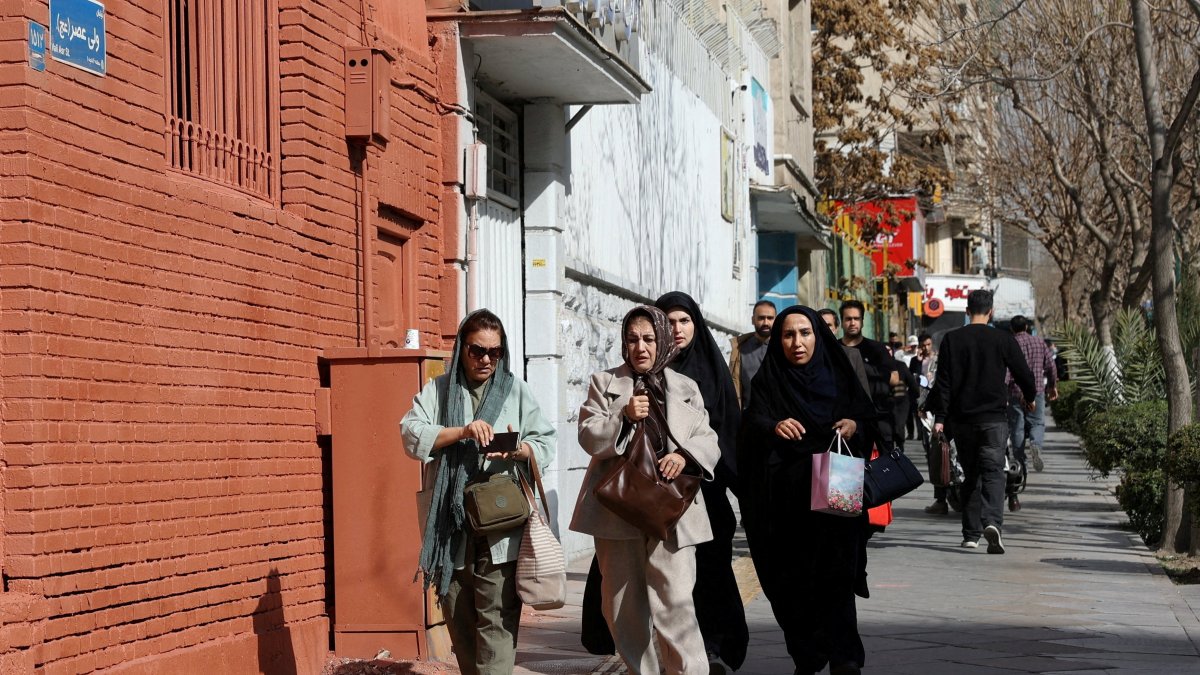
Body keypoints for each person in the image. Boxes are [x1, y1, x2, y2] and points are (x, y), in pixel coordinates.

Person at [400, 309, 557, 675]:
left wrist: (518, 449)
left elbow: (544, 442)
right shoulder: (438, 391)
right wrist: (462, 432)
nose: (486, 359)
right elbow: (410, 433)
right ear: (462, 349)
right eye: (477, 350)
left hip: (502, 525)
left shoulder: (516, 390)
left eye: (495, 352)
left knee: (497, 624)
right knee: (460, 622)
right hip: (450, 528)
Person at [572, 305, 721, 675]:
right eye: (633, 339)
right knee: (622, 608)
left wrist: (686, 457)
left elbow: (709, 439)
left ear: (664, 342)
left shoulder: (686, 387)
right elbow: (588, 438)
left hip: (672, 510)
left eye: (649, 339)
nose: (641, 347)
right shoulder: (604, 383)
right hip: (618, 509)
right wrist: (622, 414)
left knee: (677, 603)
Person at [739, 306, 876, 675]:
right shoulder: (769, 380)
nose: (797, 343)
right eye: (788, 335)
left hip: (836, 478)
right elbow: (751, 423)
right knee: (793, 579)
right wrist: (773, 426)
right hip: (786, 495)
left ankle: (846, 658)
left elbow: (866, 418)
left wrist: (853, 425)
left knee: (838, 572)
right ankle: (808, 655)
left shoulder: (839, 374)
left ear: (818, 335)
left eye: (805, 333)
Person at [656, 291, 749, 674]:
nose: (677, 330)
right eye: (670, 322)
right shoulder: (646, 367)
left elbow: (728, 435)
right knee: (669, 581)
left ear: (696, 325)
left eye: (684, 321)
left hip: (706, 494)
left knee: (712, 574)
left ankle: (715, 649)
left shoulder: (712, 371)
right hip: (660, 494)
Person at [932, 290, 1036, 554]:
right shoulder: (1003, 339)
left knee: (970, 475)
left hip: (962, 420)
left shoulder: (951, 339)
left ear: (967, 310)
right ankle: (992, 523)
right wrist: (1030, 396)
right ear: (991, 312)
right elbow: (1024, 373)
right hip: (993, 420)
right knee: (993, 472)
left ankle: (970, 534)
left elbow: (943, 383)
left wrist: (940, 418)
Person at [1006, 316, 1059, 507]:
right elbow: (1050, 366)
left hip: (1015, 392)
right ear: (1027, 327)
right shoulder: (1039, 342)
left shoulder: (1010, 343)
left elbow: (1006, 370)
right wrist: (1052, 386)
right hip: (1036, 391)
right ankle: (1036, 445)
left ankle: (1020, 465)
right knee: (1037, 423)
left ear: (1012, 328)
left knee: (1017, 428)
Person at [840, 301, 900, 450]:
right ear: (841, 322)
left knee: (883, 469)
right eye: (848, 319)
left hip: (878, 420)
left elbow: (895, 379)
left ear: (862, 321)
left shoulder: (876, 349)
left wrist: (863, 367)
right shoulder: (835, 349)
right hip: (845, 421)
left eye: (856, 318)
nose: (852, 323)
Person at [730, 300, 776, 409]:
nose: (765, 322)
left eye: (770, 318)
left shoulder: (784, 347)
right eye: (761, 318)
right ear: (752, 320)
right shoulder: (739, 349)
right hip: (748, 416)